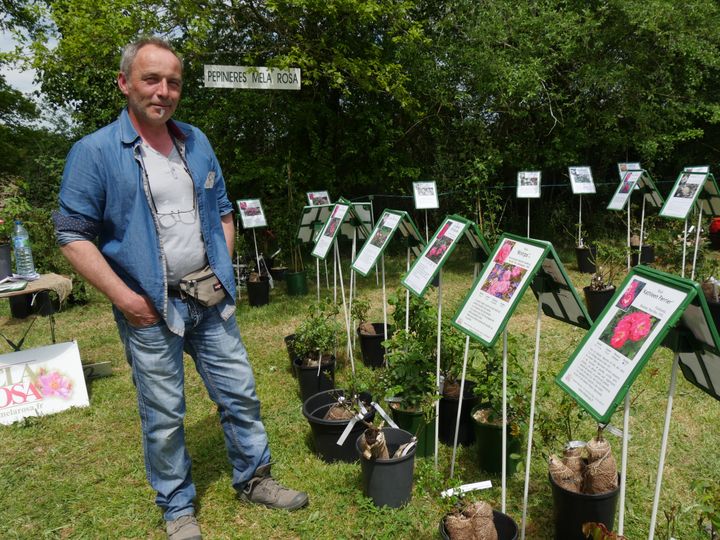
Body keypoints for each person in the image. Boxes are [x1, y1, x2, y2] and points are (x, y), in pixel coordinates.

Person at [54, 37, 308, 540]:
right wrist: (127, 301)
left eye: (173, 81)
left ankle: (255, 478)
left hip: (207, 299)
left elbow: (222, 210)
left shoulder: (196, 140)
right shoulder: (95, 152)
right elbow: (71, 235)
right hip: (149, 305)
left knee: (240, 394)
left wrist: (222, 267)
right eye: (152, 79)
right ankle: (177, 509)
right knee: (165, 414)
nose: (163, 90)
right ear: (125, 83)